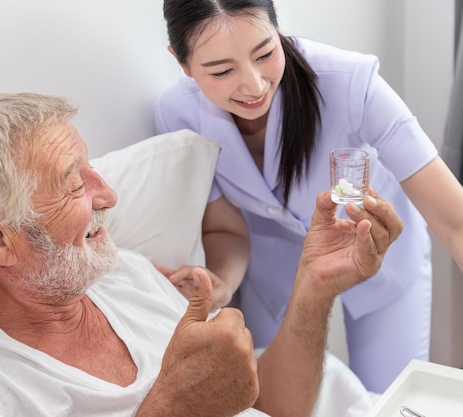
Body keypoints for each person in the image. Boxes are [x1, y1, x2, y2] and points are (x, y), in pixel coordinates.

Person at [0, 92, 402, 417]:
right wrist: (176, 409)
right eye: (72, 183)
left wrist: (314, 286)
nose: (107, 195)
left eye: (92, 169)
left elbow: (274, 408)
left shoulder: (129, 278)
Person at [154, 0, 463, 393]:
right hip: (274, 269)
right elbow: (225, 229)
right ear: (181, 63)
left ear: (276, 21)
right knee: (273, 397)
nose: (253, 85)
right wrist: (223, 283)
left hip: (382, 258)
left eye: (265, 53)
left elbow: (456, 222)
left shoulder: (351, 82)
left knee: (391, 396)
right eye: (222, 71)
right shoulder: (175, 115)